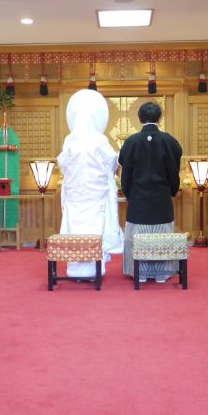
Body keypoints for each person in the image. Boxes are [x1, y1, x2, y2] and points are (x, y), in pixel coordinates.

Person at [58, 89, 123, 278]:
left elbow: (64, 166)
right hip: (96, 195)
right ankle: (94, 270)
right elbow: (112, 163)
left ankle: (76, 270)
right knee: (95, 230)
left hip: (76, 195)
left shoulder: (69, 141)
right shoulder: (99, 140)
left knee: (76, 230)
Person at [118, 100, 181, 282]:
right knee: (162, 235)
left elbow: (126, 173)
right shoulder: (169, 141)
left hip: (138, 200)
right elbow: (173, 171)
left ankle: (141, 273)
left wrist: (130, 193)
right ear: (160, 118)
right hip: (162, 200)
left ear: (139, 118)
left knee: (137, 236)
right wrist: (171, 191)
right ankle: (162, 273)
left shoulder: (131, 142)